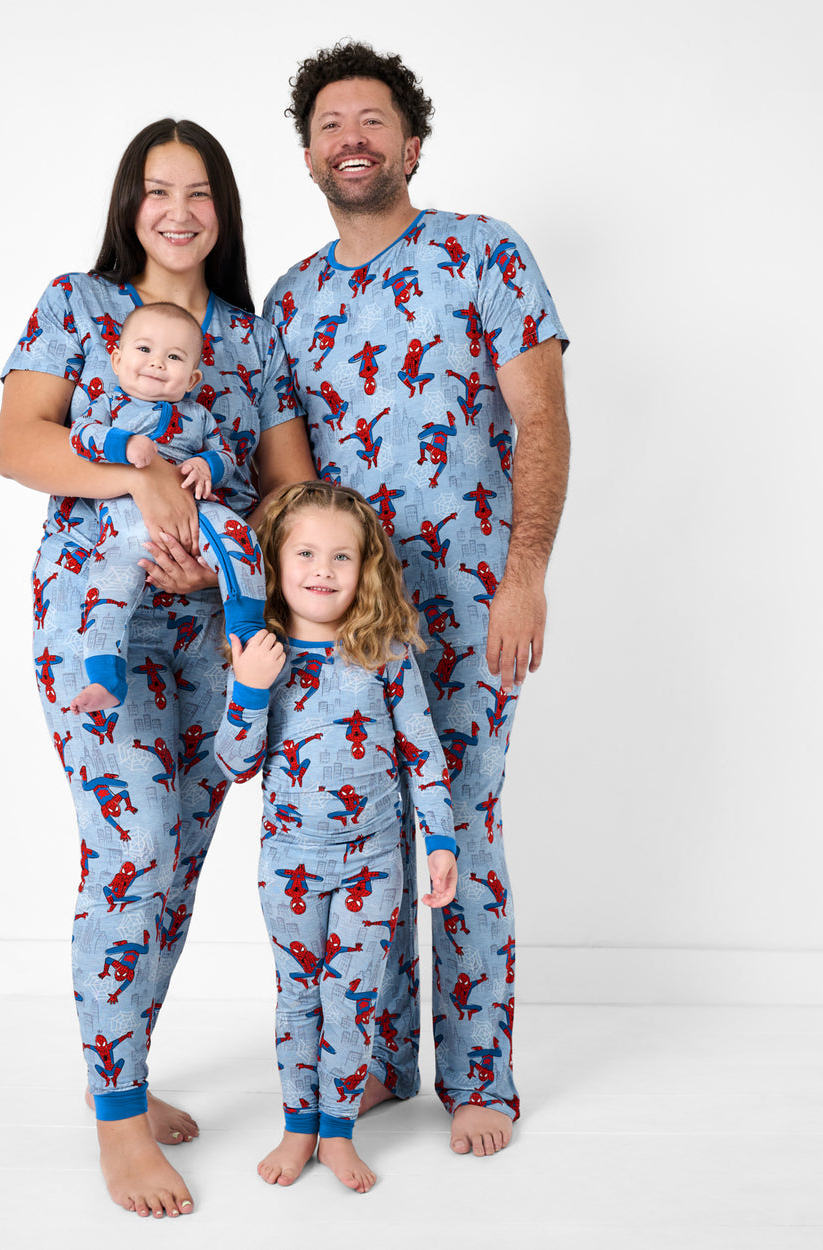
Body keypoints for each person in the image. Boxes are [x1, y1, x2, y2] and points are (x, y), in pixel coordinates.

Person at [0, 119, 316, 1219]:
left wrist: (228, 551)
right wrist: (135, 484)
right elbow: (18, 444)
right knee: (129, 844)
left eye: (199, 192)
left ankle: (122, 1063)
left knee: (174, 855)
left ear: (223, 208)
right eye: (155, 189)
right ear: (129, 201)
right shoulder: (76, 305)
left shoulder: (253, 333)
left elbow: (286, 489)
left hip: (206, 626)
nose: (177, 210)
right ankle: (118, 1118)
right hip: (94, 614)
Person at [265, 42, 570, 1158]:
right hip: (344, 628)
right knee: (361, 832)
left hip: (475, 603)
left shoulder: (484, 257)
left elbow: (539, 418)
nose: (353, 136)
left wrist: (525, 572)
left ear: (411, 142)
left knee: (464, 827)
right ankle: (371, 1062)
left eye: (373, 119)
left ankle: (478, 1075)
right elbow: (289, 488)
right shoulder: (288, 302)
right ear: (308, 154)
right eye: (331, 122)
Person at [214, 481, 459, 1193]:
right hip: (289, 862)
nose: (323, 569)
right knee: (299, 996)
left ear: (366, 569)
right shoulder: (258, 652)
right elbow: (235, 764)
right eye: (307, 553)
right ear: (275, 562)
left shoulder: (382, 653)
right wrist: (250, 688)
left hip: (373, 863)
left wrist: (439, 839)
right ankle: (299, 1128)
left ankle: (340, 1130)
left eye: (342, 556)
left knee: (351, 997)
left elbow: (423, 751)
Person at [66, 300, 265, 714]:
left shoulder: (199, 416)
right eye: (144, 350)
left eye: (173, 357)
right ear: (117, 361)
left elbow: (226, 456)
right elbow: (80, 436)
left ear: (191, 377)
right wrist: (123, 445)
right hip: (125, 521)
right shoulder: (109, 406)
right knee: (109, 588)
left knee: (239, 538)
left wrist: (206, 464)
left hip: (195, 511)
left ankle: (246, 624)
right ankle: (104, 675)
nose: (157, 363)